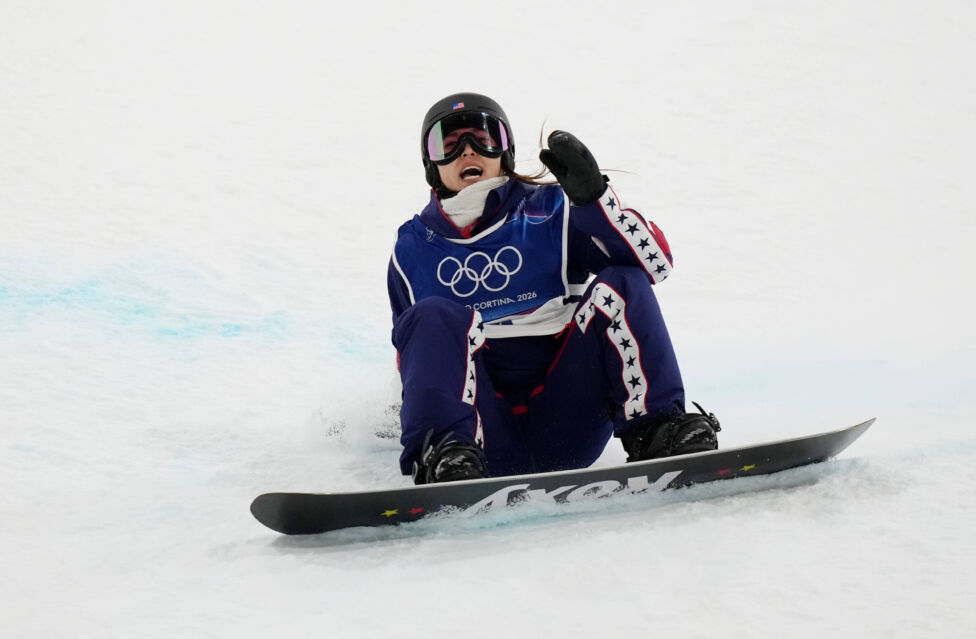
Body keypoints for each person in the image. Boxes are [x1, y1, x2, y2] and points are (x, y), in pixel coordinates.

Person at [387, 92, 720, 484]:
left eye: (484, 138)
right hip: (481, 438)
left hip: (568, 424)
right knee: (431, 316)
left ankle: (659, 428)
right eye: (448, 144)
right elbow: (413, 363)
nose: (468, 152)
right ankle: (443, 454)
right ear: (431, 165)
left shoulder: (553, 212)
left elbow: (656, 265)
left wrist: (595, 202)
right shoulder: (411, 250)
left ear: (505, 152)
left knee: (622, 279)